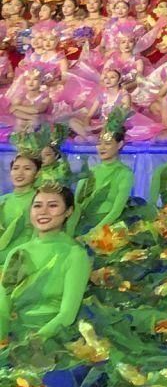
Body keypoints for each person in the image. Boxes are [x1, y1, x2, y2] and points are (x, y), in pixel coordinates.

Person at [0, 163, 89, 346]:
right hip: (13, 335)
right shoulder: (18, 252)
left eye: (53, 205)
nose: (43, 212)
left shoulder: (75, 255)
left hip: (51, 339)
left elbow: (67, 315)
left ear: (68, 211)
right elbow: (3, 306)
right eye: (37, 206)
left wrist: (33, 343)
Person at [72, 107, 134, 237]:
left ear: (119, 145)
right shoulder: (91, 171)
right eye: (100, 143)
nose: (102, 147)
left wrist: (93, 233)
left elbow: (116, 211)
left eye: (108, 143)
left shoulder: (125, 173)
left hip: (107, 229)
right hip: (83, 225)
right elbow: (77, 205)